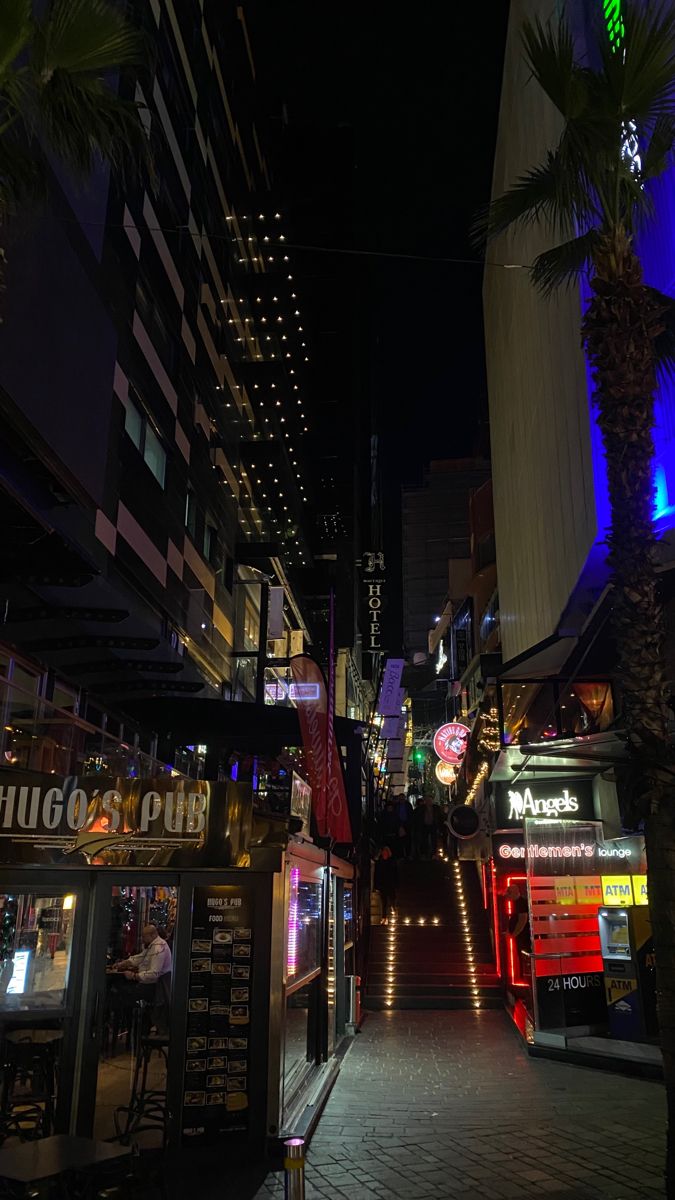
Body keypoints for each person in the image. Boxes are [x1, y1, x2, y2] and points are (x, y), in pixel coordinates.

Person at [110, 923, 172, 1004]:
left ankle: (125, 1013)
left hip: (154, 987)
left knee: (122, 993)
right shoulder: (154, 944)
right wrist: (123, 963)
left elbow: (154, 973)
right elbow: (140, 957)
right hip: (149, 984)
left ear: (153, 935)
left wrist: (134, 976)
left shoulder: (158, 948)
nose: (142, 939)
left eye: (144, 936)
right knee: (122, 990)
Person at [374, 846, 398, 925]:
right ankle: (384, 918)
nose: (384, 854)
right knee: (383, 902)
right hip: (382, 885)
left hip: (390, 884)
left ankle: (393, 910)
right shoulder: (379, 862)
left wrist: (396, 884)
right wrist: (376, 886)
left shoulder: (392, 862)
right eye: (383, 852)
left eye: (386, 852)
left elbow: (395, 874)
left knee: (392, 899)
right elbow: (376, 875)